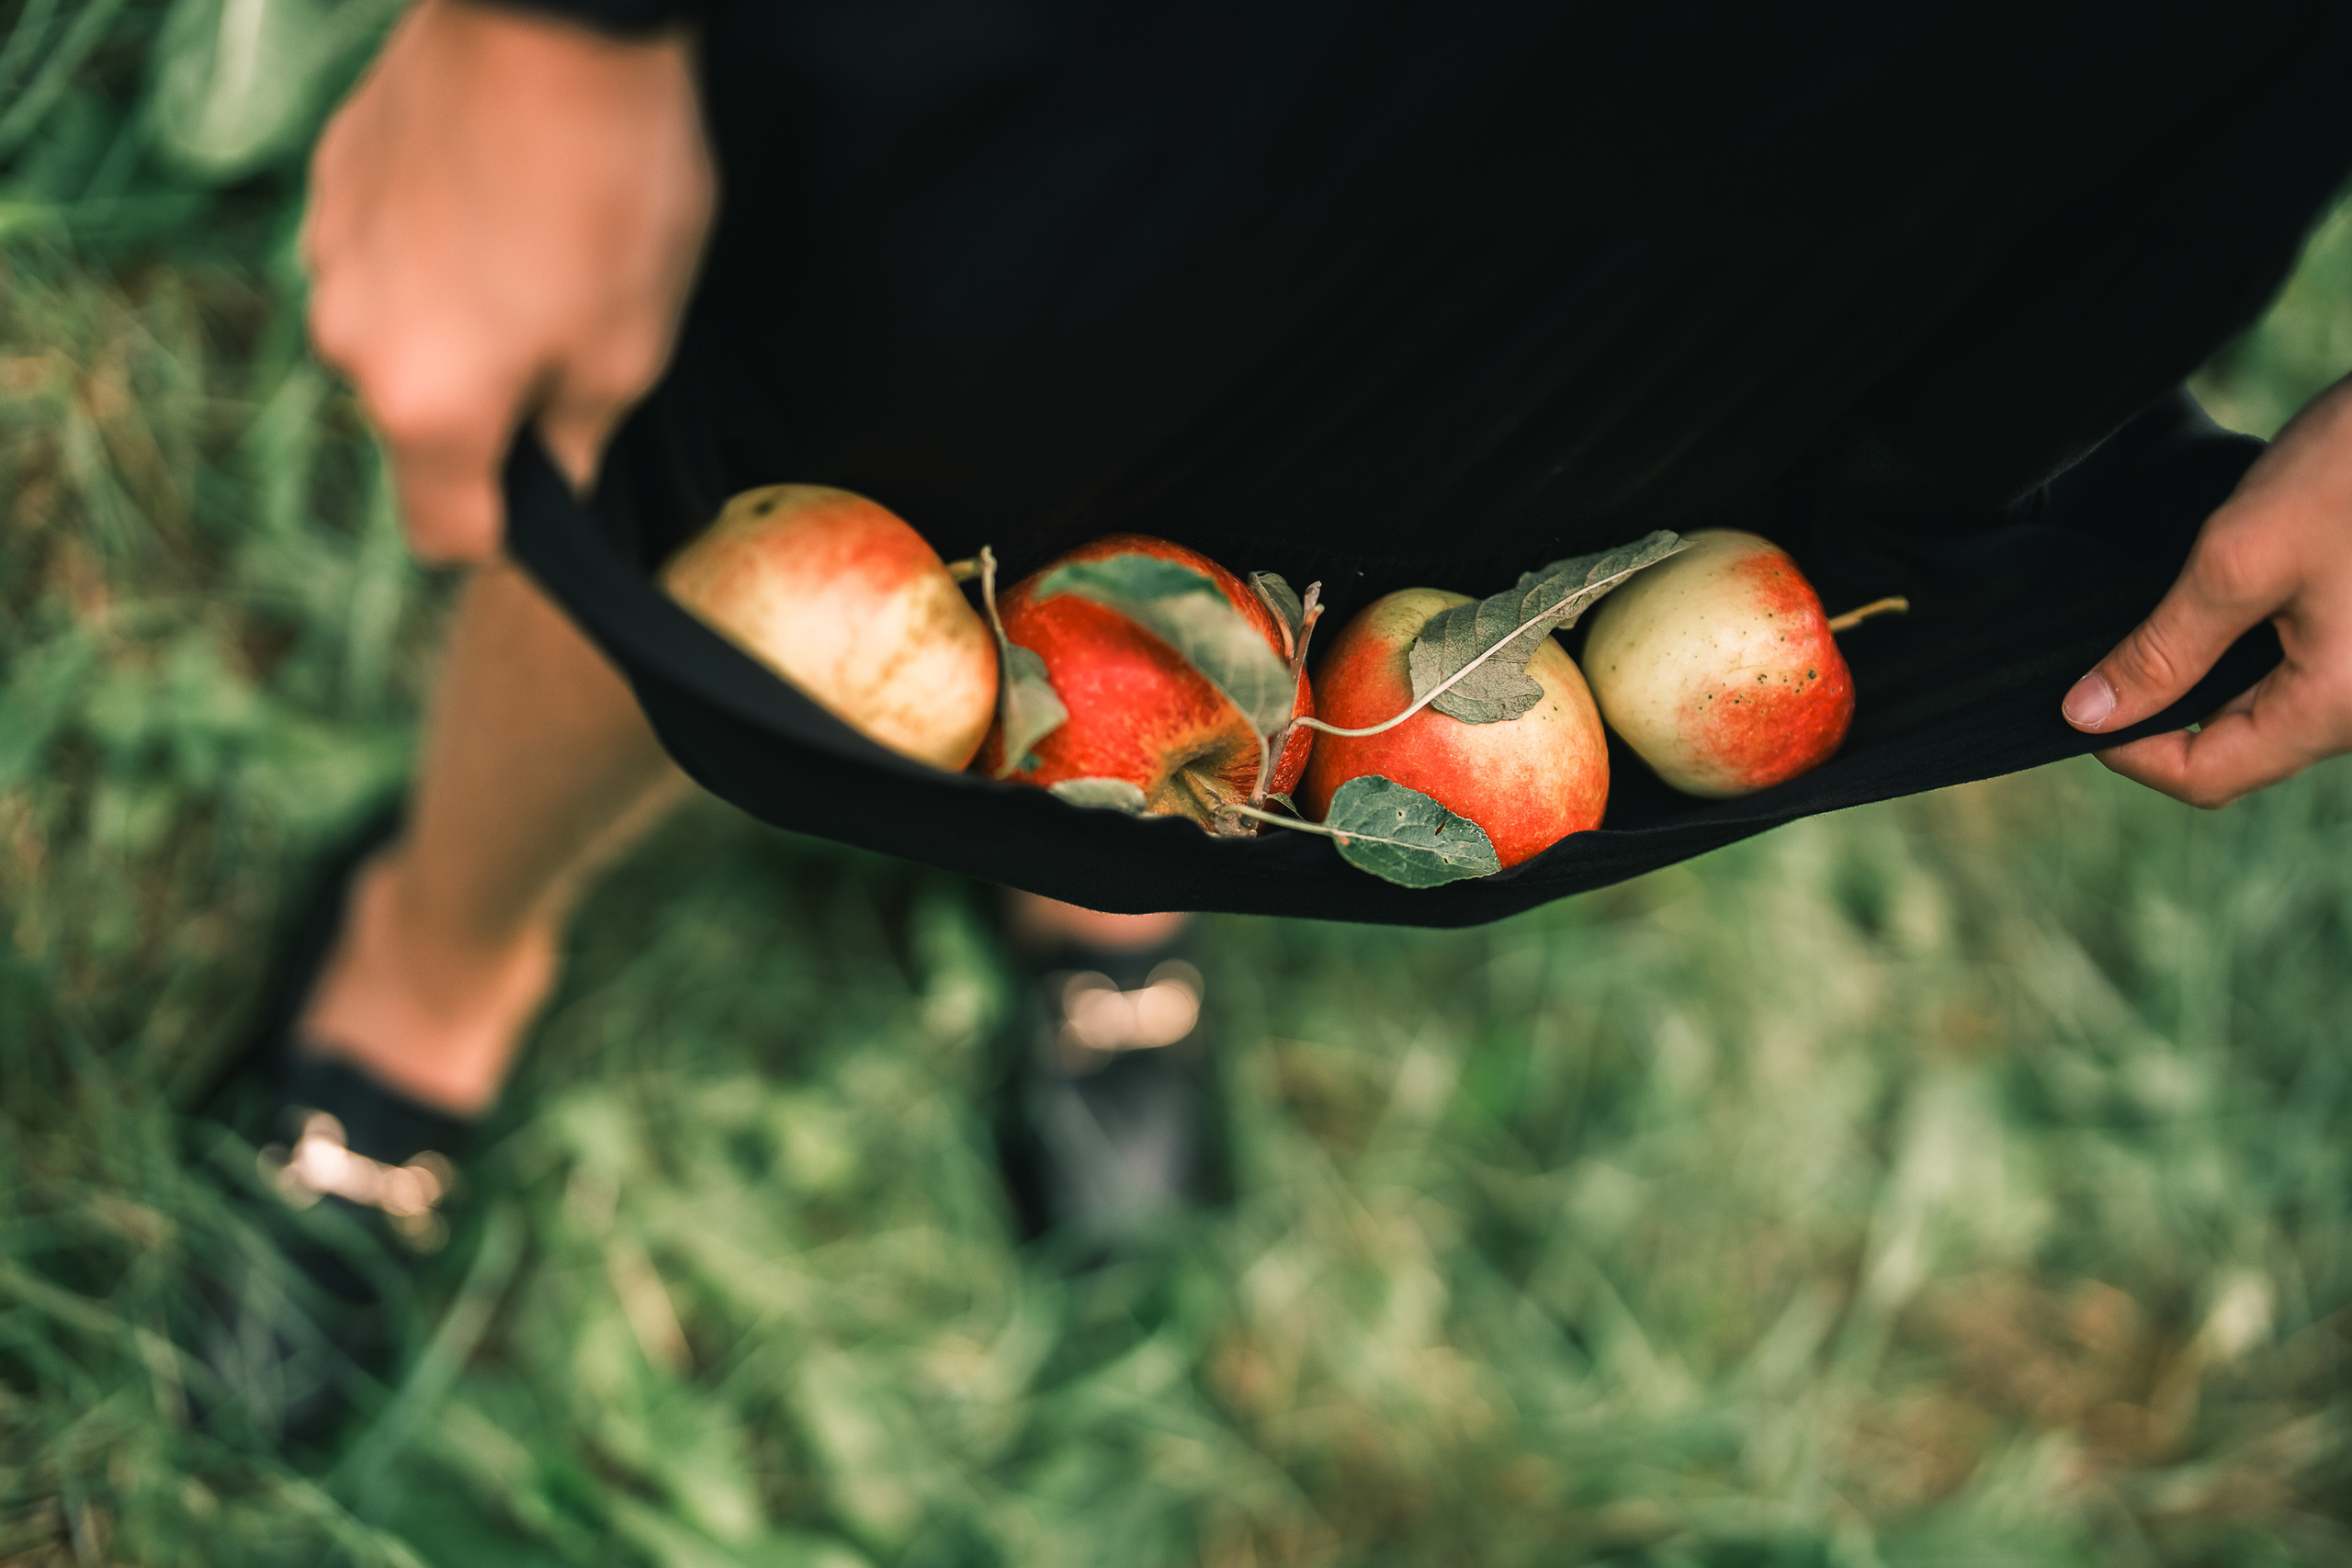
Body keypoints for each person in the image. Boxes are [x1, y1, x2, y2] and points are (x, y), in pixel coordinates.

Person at [229, 0, 2352, 1431]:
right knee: (791, 440)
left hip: (1983, 111)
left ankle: (1110, 863)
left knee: (1446, 561)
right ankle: (438, 943)